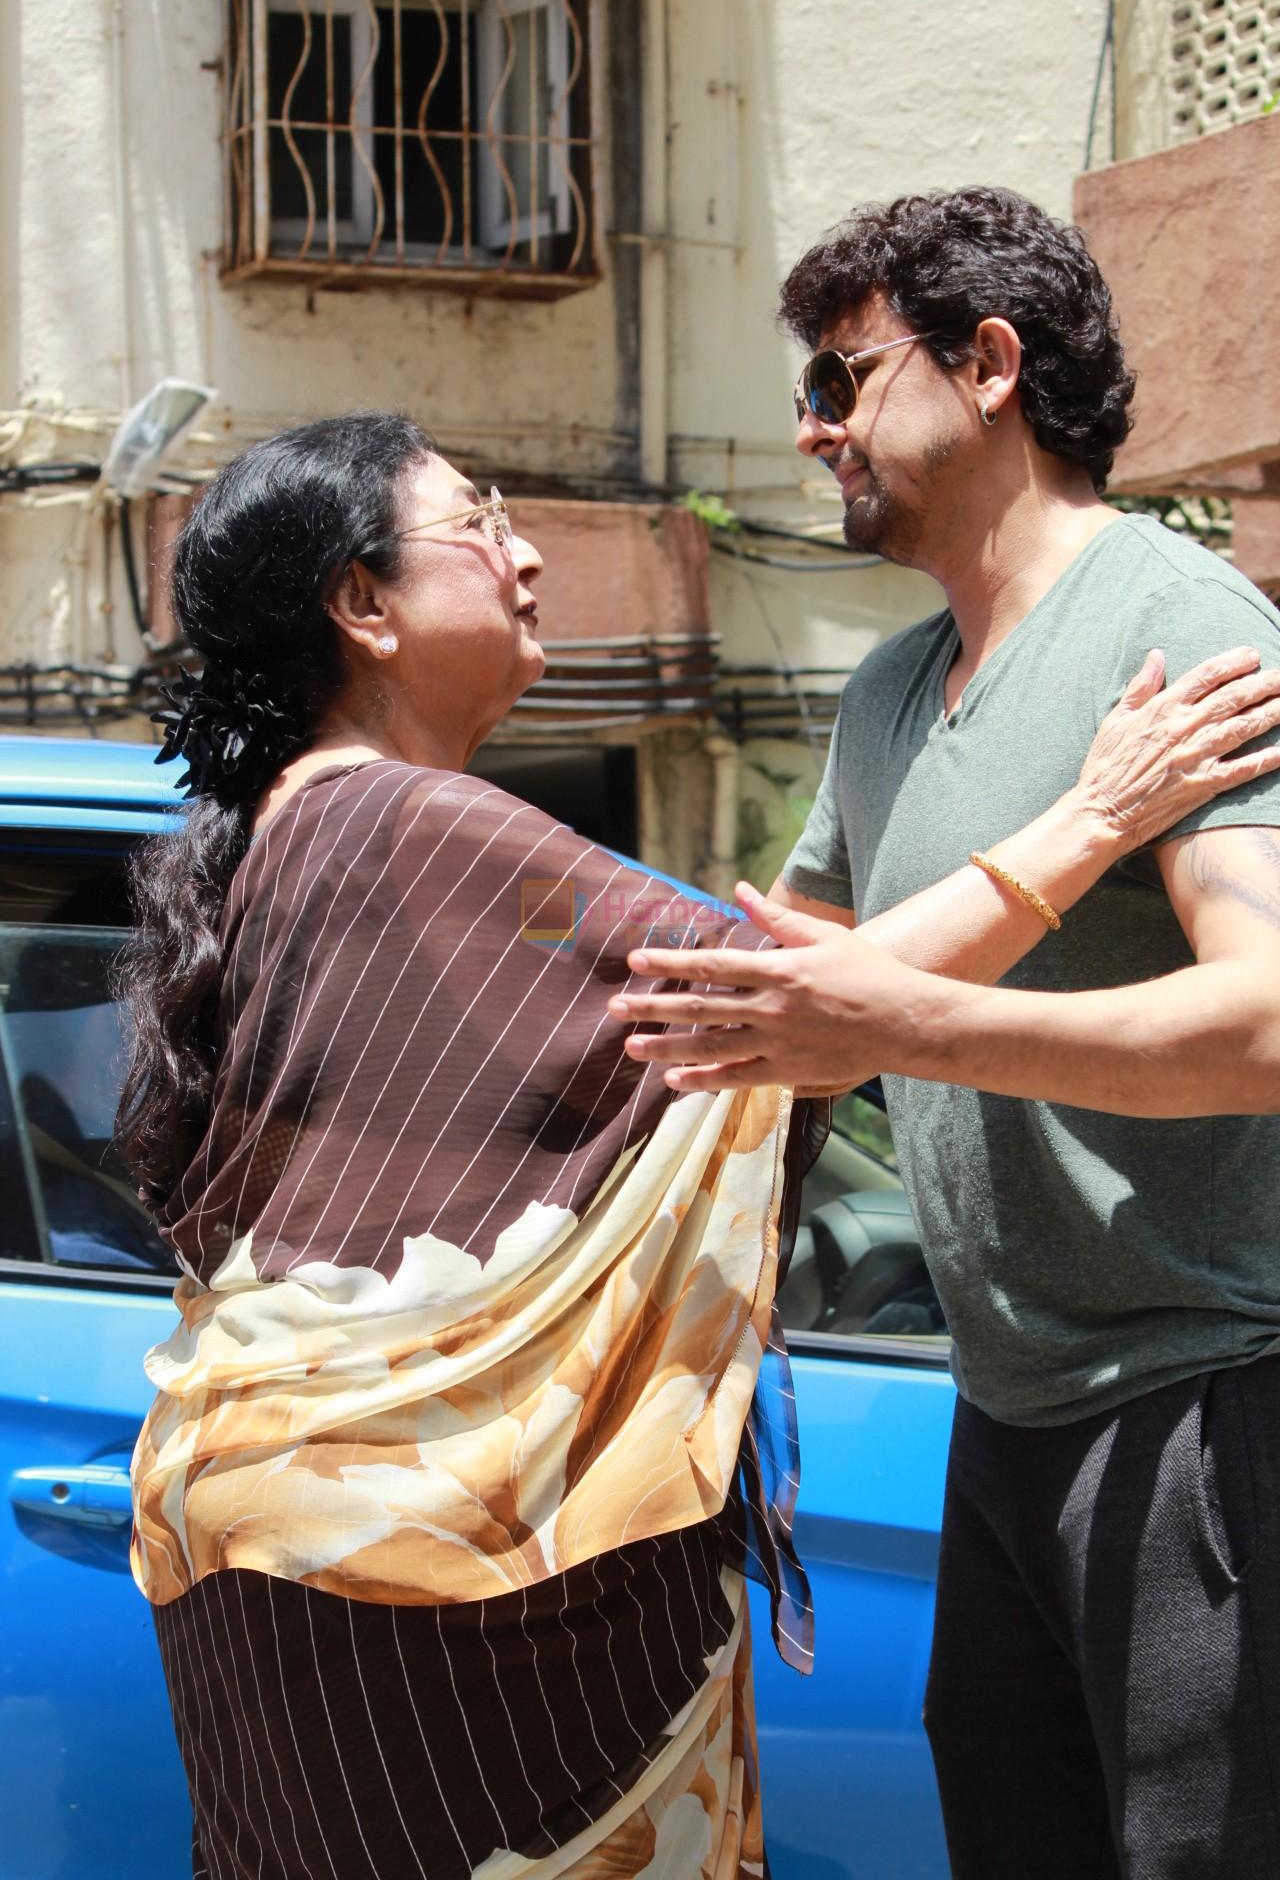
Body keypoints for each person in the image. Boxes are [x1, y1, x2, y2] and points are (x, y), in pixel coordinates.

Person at [605, 187, 1280, 1878]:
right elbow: (806, 1020)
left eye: (843, 377)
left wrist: (897, 1016)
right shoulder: (890, 692)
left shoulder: (1178, 634)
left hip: (1203, 1402)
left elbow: (1266, 1022)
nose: (814, 428)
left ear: (989, 365)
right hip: (1005, 1409)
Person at [116, 412, 821, 1880]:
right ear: (361, 605)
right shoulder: (404, 822)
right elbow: (777, 1009)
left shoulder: (282, 833)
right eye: (480, 520)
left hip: (288, 1542)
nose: (529, 552)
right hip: (430, 1586)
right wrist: (1086, 824)